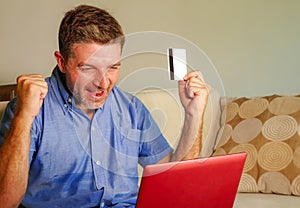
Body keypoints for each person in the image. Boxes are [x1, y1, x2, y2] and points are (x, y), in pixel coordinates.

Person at [0, 4, 210, 208]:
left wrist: (194, 114)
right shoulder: (27, 110)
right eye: (89, 68)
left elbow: (175, 182)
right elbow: (5, 201)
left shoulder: (132, 109)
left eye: (112, 67)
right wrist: (23, 117)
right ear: (62, 62)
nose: (102, 82)